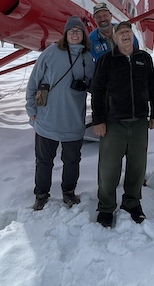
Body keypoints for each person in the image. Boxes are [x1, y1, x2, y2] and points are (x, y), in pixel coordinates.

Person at [90, 21, 154, 227]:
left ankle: (132, 203)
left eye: (128, 31)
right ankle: (106, 207)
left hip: (139, 122)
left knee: (137, 167)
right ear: (114, 38)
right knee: (108, 169)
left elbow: (153, 87)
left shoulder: (144, 58)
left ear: (132, 36)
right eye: (120, 32)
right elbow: (97, 91)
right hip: (113, 123)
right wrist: (98, 120)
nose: (125, 35)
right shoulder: (106, 60)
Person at [25, 16, 96, 211]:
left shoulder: (87, 58)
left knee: (72, 161)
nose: (75, 34)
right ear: (65, 34)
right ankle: (41, 194)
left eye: (79, 31)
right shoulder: (50, 52)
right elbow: (34, 81)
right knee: (43, 161)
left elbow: (95, 87)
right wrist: (31, 108)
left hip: (73, 121)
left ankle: (68, 192)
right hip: (47, 118)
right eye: (71, 31)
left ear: (83, 35)